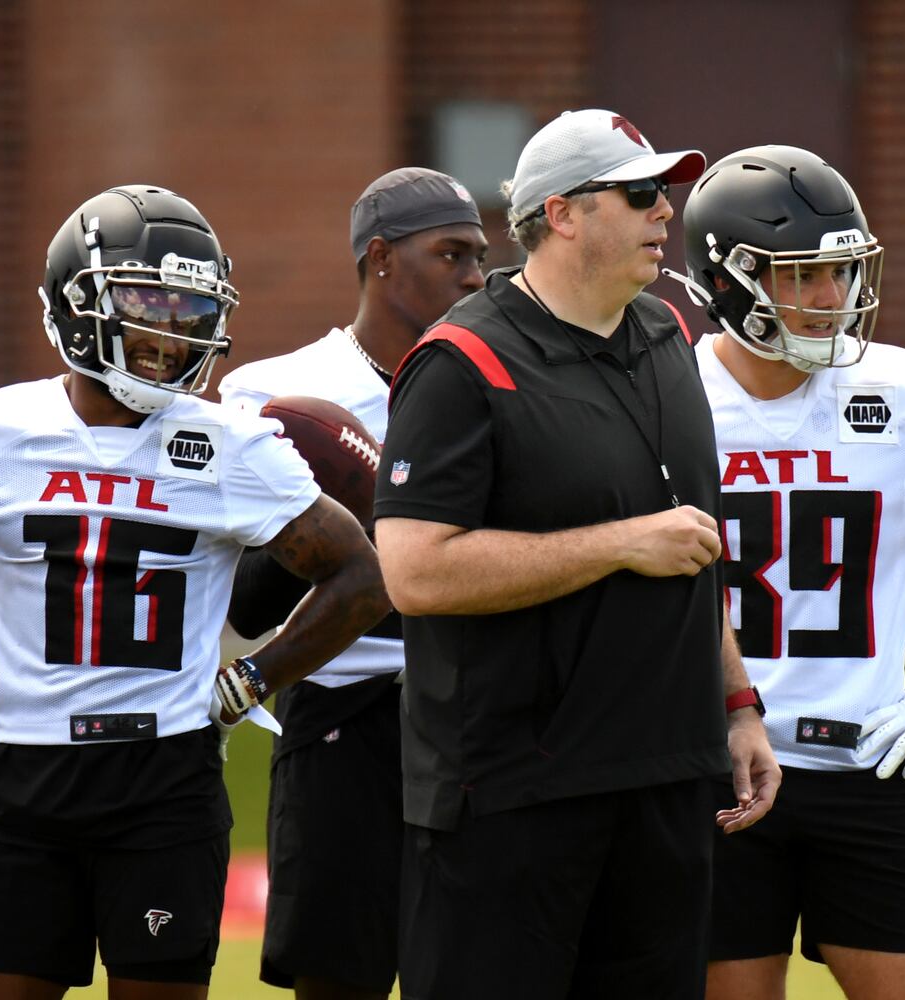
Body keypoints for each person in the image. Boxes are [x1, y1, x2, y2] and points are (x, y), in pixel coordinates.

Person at [0, 184, 389, 999]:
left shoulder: (233, 445)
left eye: (187, 308)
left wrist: (249, 681)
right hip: (25, 775)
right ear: (75, 303)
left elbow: (361, 577)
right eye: (146, 302)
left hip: (165, 781)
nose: (169, 332)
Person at [372, 109, 781, 1000]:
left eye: (664, 194)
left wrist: (738, 703)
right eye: (638, 195)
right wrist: (617, 546)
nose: (664, 214)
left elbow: (694, 549)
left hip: (667, 782)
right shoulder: (462, 359)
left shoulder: (668, 335)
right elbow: (415, 571)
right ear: (560, 214)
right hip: (510, 797)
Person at [668, 145, 905, 1000]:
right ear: (728, 283)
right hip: (715, 768)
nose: (829, 300)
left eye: (842, 273)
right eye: (801, 277)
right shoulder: (665, 395)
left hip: (864, 763)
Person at [218, 166, 486, 1000]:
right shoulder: (274, 393)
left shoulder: (504, 375)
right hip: (346, 709)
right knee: (341, 976)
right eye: (452, 254)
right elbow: (246, 601)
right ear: (381, 259)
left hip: (482, 707)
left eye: (480, 256)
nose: (476, 276)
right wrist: (349, 516)